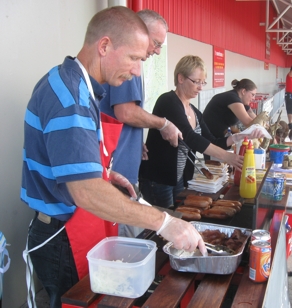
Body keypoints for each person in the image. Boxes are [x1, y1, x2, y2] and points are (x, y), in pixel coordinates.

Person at [21, 7, 206, 307]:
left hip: (70, 226)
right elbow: (85, 191)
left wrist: (105, 174)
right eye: (134, 58)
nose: (136, 71)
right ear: (104, 46)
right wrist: (164, 222)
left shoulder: (75, 84)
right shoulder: (71, 97)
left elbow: (70, 161)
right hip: (61, 235)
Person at [139, 55, 263, 208]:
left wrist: (239, 136)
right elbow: (190, 137)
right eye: (196, 82)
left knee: (177, 217)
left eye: (202, 82)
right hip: (158, 179)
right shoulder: (168, 101)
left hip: (179, 178)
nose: (200, 87)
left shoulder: (195, 112)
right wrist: (226, 156)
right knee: (162, 225)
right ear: (181, 78)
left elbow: (212, 140)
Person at [99, 9, 179, 237]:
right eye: (155, 43)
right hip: (116, 180)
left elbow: (115, 118)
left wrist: (135, 143)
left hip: (119, 174)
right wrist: (163, 124)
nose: (157, 50)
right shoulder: (126, 67)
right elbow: (125, 111)